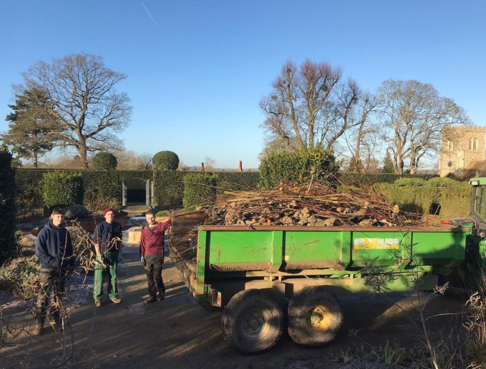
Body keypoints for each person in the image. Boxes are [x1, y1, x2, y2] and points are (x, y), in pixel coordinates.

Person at [34, 207, 75, 336]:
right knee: (43, 297)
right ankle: (39, 322)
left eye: (62, 217)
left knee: (58, 295)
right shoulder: (44, 232)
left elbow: (69, 250)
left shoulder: (65, 232)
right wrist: (52, 262)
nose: (60, 219)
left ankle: (54, 319)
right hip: (47, 270)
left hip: (61, 270)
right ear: (52, 216)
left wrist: (70, 262)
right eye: (58, 216)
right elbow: (40, 252)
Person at [93, 207, 123, 307]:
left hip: (113, 254)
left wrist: (120, 252)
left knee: (113, 277)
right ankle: (98, 298)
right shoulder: (100, 227)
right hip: (102, 254)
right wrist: (99, 255)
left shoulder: (117, 226)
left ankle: (113, 295)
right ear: (105, 215)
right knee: (100, 277)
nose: (111, 216)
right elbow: (96, 242)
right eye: (109, 214)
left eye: (112, 214)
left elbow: (119, 240)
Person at [139, 210, 171, 304]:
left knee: (157, 276)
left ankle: (161, 292)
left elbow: (169, 222)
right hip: (148, 256)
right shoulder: (144, 229)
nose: (151, 219)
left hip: (158, 256)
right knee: (149, 278)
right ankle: (152, 296)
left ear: (155, 217)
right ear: (146, 219)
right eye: (148, 218)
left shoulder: (160, 226)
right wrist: (142, 256)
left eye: (152, 217)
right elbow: (142, 244)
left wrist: (172, 215)